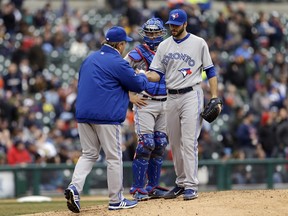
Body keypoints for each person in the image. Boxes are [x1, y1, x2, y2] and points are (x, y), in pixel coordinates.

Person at [64, 26, 149, 213]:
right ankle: (115, 200)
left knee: (89, 154)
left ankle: (74, 188)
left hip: (84, 114)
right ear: (119, 45)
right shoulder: (117, 61)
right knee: (113, 157)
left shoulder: (89, 58)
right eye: (124, 43)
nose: (124, 47)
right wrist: (142, 75)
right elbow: (136, 83)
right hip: (106, 116)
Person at [145, 9, 221, 200]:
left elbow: (211, 71)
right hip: (170, 96)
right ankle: (180, 183)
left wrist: (214, 97)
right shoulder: (164, 46)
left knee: (189, 141)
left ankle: (191, 185)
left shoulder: (198, 43)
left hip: (191, 94)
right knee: (175, 143)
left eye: (177, 25)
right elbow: (156, 74)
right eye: (171, 24)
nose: (173, 28)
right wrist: (142, 75)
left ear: (185, 24)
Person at [124, 18, 169, 201]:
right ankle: (137, 188)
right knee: (146, 144)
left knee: (159, 144)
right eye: (149, 32)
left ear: (161, 33)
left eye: (155, 32)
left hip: (166, 101)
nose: (152, 36)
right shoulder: (137, 52)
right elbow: (121, 71)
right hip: (146, 102)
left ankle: (152, 186)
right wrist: (129, 95)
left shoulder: (168, 49)